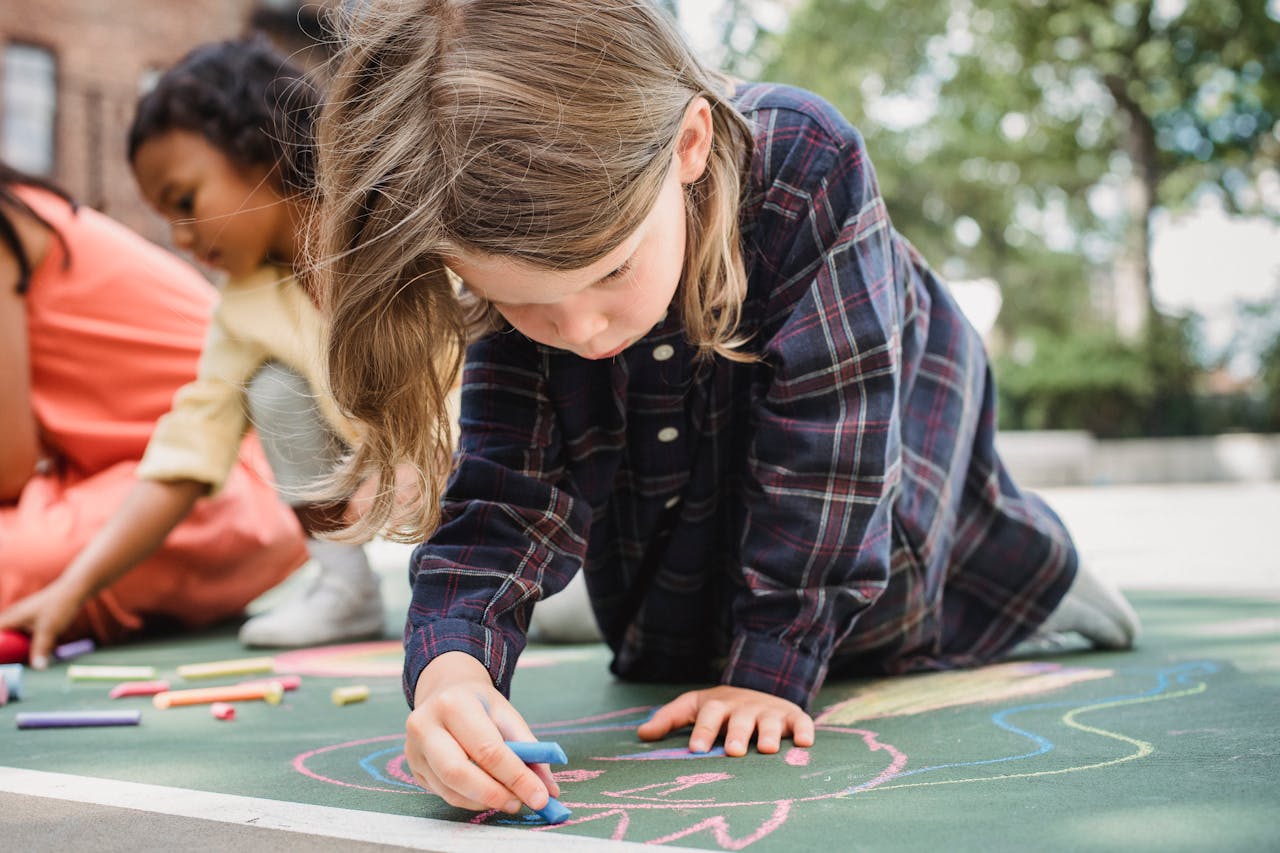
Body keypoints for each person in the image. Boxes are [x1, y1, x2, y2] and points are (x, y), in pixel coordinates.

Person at [309, 0, 1141, 819]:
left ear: (690, 145)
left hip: (887, 479)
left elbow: (832, 453)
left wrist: (771, 668)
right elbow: (505, 490)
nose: (584, 332)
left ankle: (1040, 579)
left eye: (609, 272)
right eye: (528, 307)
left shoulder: (806, 161)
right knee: (671, 647)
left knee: (888, 621)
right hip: (680, 508)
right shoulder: (509, 236)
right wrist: (454, 668)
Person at [0, 36, 386, 664]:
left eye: (185, 203)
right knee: (273, 388)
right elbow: (187, 449)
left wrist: (418, 473)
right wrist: (71, 589)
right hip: (399, 495)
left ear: (259, 146)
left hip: (489, 477)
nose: (180, 237)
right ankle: (345, 585)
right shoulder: (247, 304)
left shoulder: (396, 233)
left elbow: (475, 383)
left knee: (566, 614)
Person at [0, 161, 308, 668]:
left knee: (17, 563)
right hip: (147, 478)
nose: (183, 237)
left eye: (186, 205)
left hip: (226, 483)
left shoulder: (11, 221)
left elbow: (10, 466)